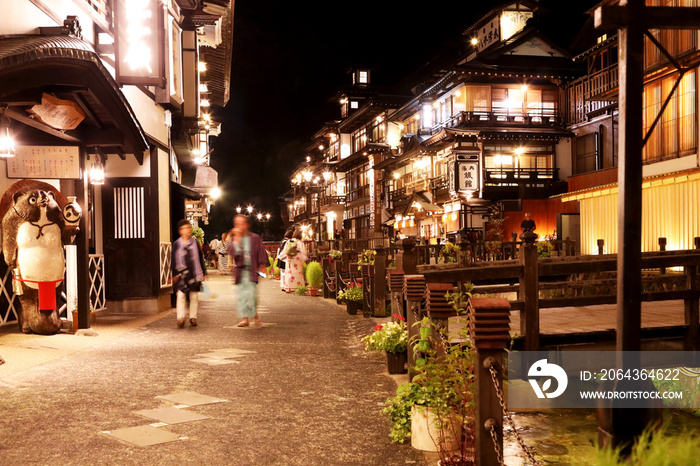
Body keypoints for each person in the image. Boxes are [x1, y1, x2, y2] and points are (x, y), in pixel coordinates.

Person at [229, 215, 269, 327]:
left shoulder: (254, 238)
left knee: (252, 295)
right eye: (237, 224)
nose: (240, 226)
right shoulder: (234, 239)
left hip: (252, 270)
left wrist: (262, 264)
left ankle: (255, 314)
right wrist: (236, 239)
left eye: (242, 223)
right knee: (242, 295)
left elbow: (261, 251)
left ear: (247, 225)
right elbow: (234, 254)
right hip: (240, 271)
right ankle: (245, 318)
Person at [171, 219, 207, 328]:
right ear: (180, 231)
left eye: (189, 228)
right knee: (181, 295)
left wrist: (204, 272)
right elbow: (173, 260)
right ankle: (180, 318)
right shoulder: (177, 244)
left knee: (194, 296)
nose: (187, 230)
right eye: (185, 228)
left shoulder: (195, 242)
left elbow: (200, 258)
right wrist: (173, 274)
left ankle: (193, 317)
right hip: (181, 274)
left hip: (194, 272)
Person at [284, 228, 308, 293]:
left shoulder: (288, 241)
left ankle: (288, 287)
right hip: (297, 258)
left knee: (289, 272)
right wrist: (304, 259)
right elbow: (303, 251)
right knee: (298, 272)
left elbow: (285, 250)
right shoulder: (300, 242)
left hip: (289, 258)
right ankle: (298, 287)